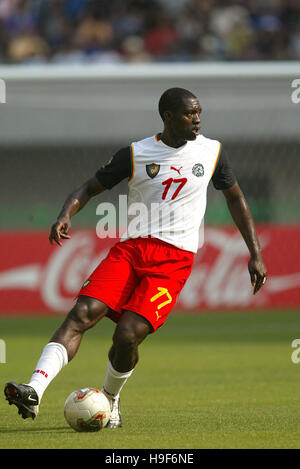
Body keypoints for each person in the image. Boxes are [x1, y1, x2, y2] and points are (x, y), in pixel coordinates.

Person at [4, 87, 267, 428]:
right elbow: (88, 187)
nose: (198, 119)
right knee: (82, 312)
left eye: (200, 112)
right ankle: (34, 390)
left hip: (174, 261)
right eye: (190, 113)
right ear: (169, 116)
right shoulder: (136, 153)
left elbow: (236, 199)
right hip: (131, 251)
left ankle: (110, 403)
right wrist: (65, 214)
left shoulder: (213, 152)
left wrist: (255, 253)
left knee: (127, 335)